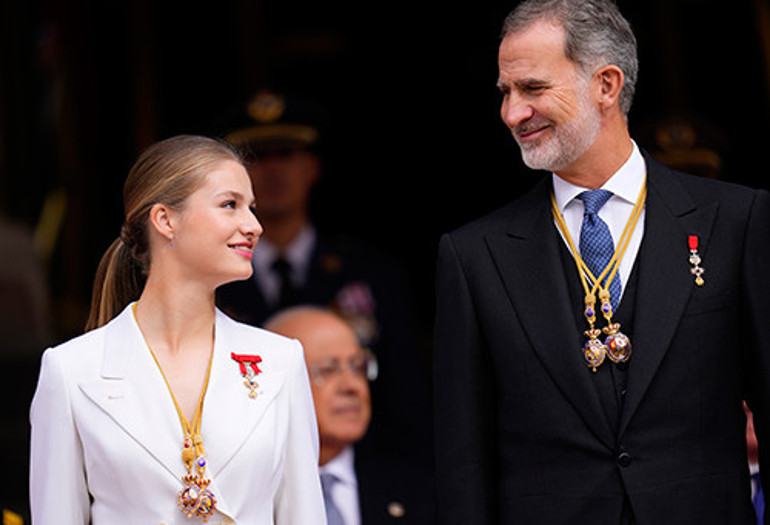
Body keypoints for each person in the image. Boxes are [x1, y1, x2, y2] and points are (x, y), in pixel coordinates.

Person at [433, 1, 770, 524]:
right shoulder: (475, 254)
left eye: (533, 89)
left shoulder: (736, 220)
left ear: (607, 85)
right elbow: (463, 460)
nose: (512, 113)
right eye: (505, 92)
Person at [29, 135, 326, 524]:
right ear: (166, 220)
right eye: (230, 205)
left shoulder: (280, 360)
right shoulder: (71, 370)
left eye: (250, 208)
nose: (253, 225)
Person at [215, 89, 432, 466]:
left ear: (312, 166)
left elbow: (406, 395)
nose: (273, 170)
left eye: (286, 154)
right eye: (257, 158)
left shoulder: (371, 273)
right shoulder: (210, 280)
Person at [264, 306, 435, 525]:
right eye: (327, 369)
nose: (352, 386)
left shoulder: (420, 494)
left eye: (358, 366)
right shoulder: (242, 495)